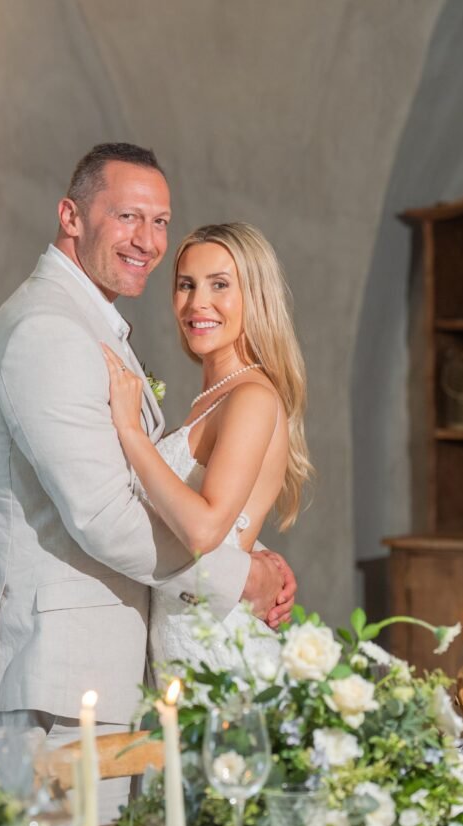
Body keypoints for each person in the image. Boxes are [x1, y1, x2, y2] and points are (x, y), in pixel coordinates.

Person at [0, 143, 296, 818]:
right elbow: (105, 518)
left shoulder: (90, 326)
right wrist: (241, 577)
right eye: (126, 217)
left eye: (158, 221)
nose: (146, 241)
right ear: (71, 216)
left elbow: (176, 506)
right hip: (57, 680)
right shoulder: (51, 332)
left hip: (117, 670)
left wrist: (236, 553)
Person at [103, 222, 311, 673]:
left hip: (216, 649)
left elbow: (202, 531)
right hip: (182, 638)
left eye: (220, 285)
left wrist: (131, 432)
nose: (198, 303)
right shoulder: (213, 397)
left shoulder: (251, 397)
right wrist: (254, 562)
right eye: (186, 285)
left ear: (255, 296)